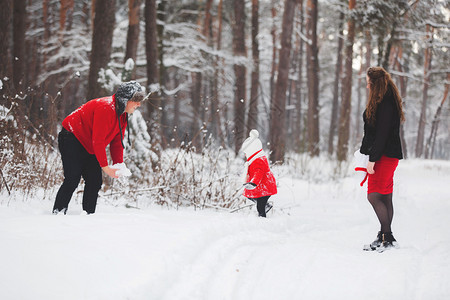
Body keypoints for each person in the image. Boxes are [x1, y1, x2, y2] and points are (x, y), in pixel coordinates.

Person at [52, 81, 145, 215]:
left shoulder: (122, 115)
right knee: (72, 178)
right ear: (125, 99)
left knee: (95, 181)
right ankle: (58, 213)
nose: (138, 104)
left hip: (89, 144)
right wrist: (106, 167)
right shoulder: (106, 107)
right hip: (71, 137)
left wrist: (118, 165)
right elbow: (99, 140)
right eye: (136, 100)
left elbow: (117, 142)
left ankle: (88, 216)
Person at [360, 67, 405, 251]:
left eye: (368, 80)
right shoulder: (385, 99)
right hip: (385, 155)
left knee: (374, 196)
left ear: (375, 82)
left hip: (384, 157)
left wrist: (373, 159)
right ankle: (385, 235)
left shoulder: (386, 102)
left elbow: (382, 134)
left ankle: (387, 236)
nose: (366, 84)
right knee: (385, 197)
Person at [241, 130, 277, 217]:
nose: (245, 155)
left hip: (265, 186)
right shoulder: (254, 160)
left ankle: (262, 219)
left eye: (246, 152)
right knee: (249, 195)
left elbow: (258, 173)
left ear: (252, 150)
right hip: (261, 185)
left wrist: (253, 182)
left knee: (260, 206)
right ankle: (266, 206)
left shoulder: (259, 161)